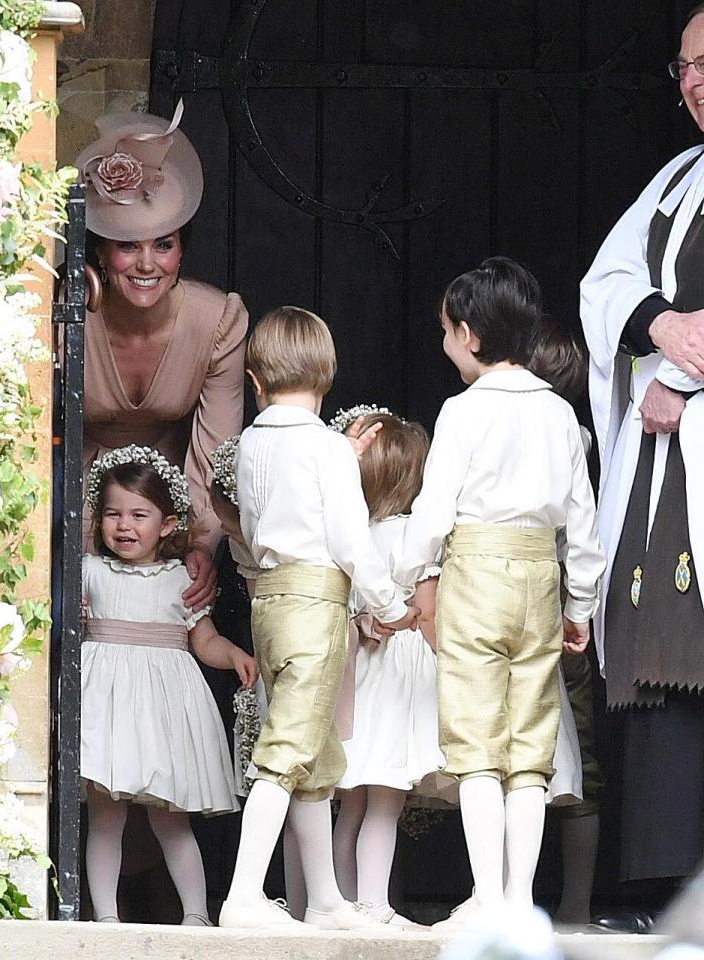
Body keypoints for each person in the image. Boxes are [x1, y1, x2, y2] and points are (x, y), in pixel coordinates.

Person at [391, 257, 605, 934]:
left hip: (476, 575)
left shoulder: (461, 411)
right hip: (539, 578)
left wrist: (401, 582)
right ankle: (517, 900)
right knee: (529, 750)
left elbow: (432, 515)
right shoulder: (558, 415)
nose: (445, 343)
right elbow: (584, 523)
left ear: (472, 337)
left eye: (447, 331)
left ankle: (486, 898)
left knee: (476, 744)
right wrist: (580, 608)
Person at [218, 306, 418, 932]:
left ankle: (326, 901)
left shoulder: (251, 443)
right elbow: (353, 543)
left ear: (256, 382)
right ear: (327, 374)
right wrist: (389, 605)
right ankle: (244, 895)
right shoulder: (329, 449)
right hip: (315, 607)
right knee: (286, 752)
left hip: (269, 602)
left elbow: (250, 534)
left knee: (309, 751)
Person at [580, 4, 704, 917]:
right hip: (666, 468)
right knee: (662, 646)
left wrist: (684, 379)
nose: (694, 81)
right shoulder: (676, 177)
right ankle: (665, 881)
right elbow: (606, 282)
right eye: (686, 67)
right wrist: (660, 330)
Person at [74, 102, 247, 611]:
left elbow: (217, 447)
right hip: (74, 500)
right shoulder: (67, 314)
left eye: (164, 245)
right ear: (102, 252)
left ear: (181, 250)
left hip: (170, 511)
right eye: (128, 246)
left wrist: (196, 541)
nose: (147, 263)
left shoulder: (217, 320)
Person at [80, 444, 258, 925]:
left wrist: (235, 655)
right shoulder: (87, 571)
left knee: (171, 817)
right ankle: (106, 917)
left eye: (139, 514)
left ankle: (198, 914)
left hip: (162, 710)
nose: (125, 525)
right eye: (113, 514)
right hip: (107, 706)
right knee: (106, 816)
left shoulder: (183, 577)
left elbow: (204, 640)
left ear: (169, 524)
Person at [330, 411, 441, 930]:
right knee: (385, 803)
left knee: (350, 803)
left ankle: (339, 905)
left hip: (355, 678)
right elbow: (428, 608)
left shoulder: (347, 536)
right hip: (398, 679)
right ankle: (374, 906)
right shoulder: (417, 538)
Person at [528, 319, 605, 927]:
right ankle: (576, 906)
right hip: (558, 599)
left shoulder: (521, 425)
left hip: (522, 594)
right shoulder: (575, 432)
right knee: (575, 749)